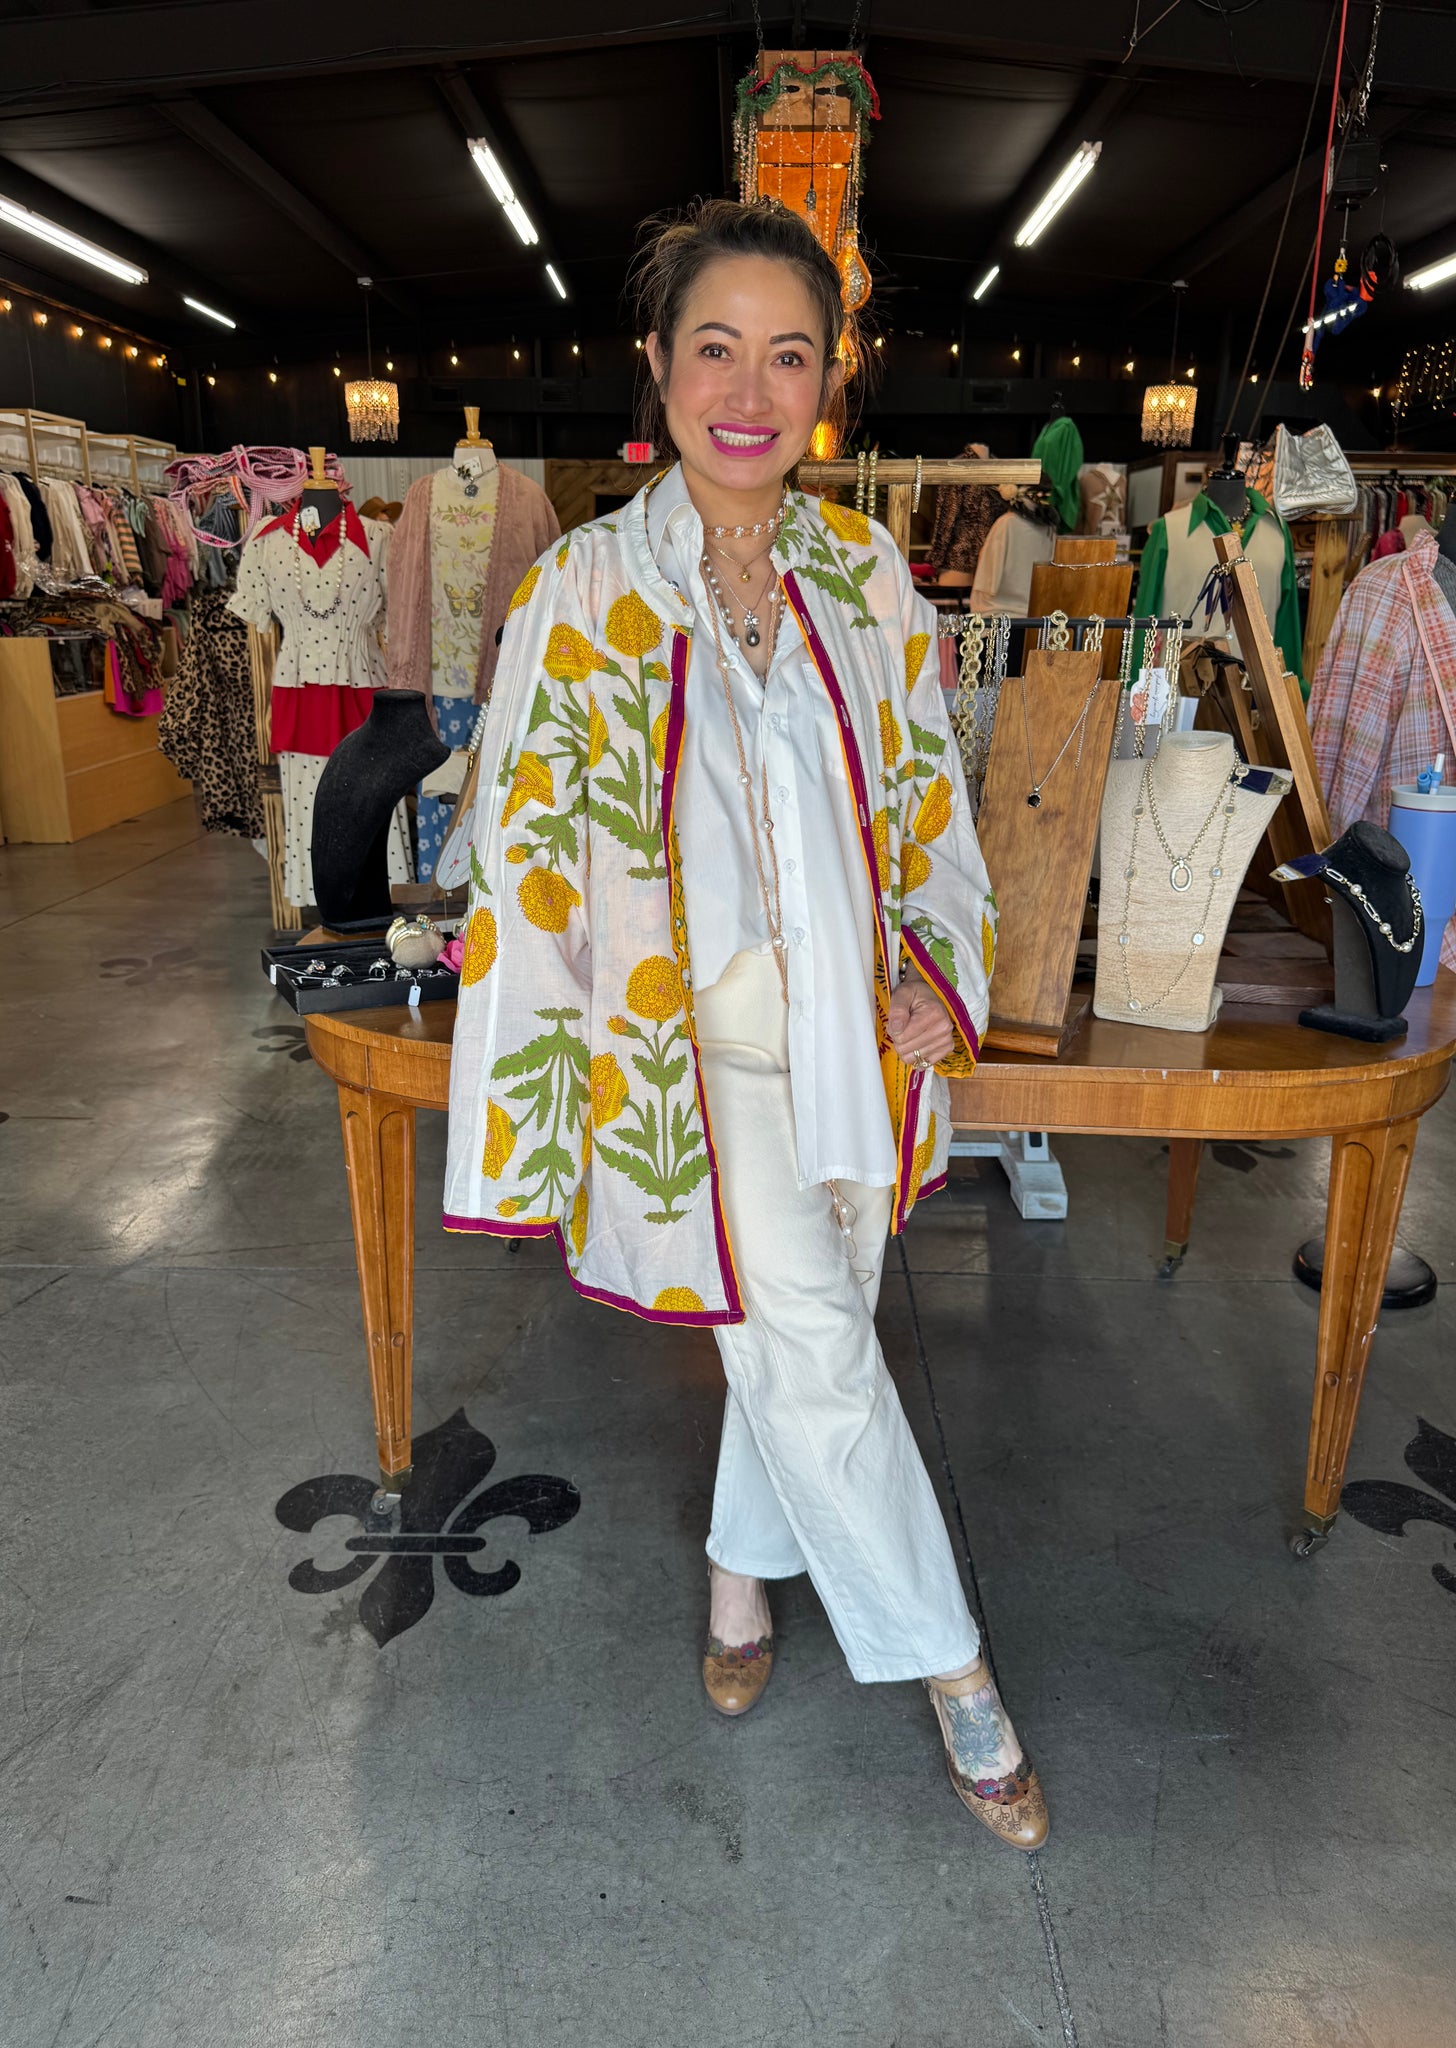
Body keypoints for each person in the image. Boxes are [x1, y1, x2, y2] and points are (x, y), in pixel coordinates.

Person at [443, 198, 1046, 1849]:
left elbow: (931, 808)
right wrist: (544, 1096)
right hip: (686, 1070)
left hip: (852, 1048)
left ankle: (735, 1576)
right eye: (717, 347)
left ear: (830, 381)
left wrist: (939, 969)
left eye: (790, 354)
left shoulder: (865, 577)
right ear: (655, 360)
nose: (750, 391)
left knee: (805, 1334)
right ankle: (956, 1674)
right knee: (823, 1358)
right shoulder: (581, 592)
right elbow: (524, 857)